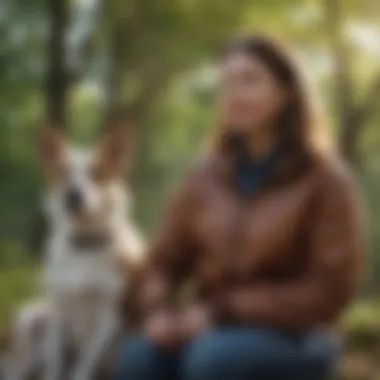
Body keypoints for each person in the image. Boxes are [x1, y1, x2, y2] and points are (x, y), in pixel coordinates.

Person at [115, 35, 364, 380]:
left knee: (213, 360)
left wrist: (223, 312)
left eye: (249, 80)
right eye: (227, 83)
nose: (234, 94)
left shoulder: (325, 180)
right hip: (212, 329)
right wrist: (160, 311)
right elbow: (162, 263)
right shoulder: (204, 179)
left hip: (301, 335)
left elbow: (330, 289)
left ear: (287, 91)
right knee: (140, 358)